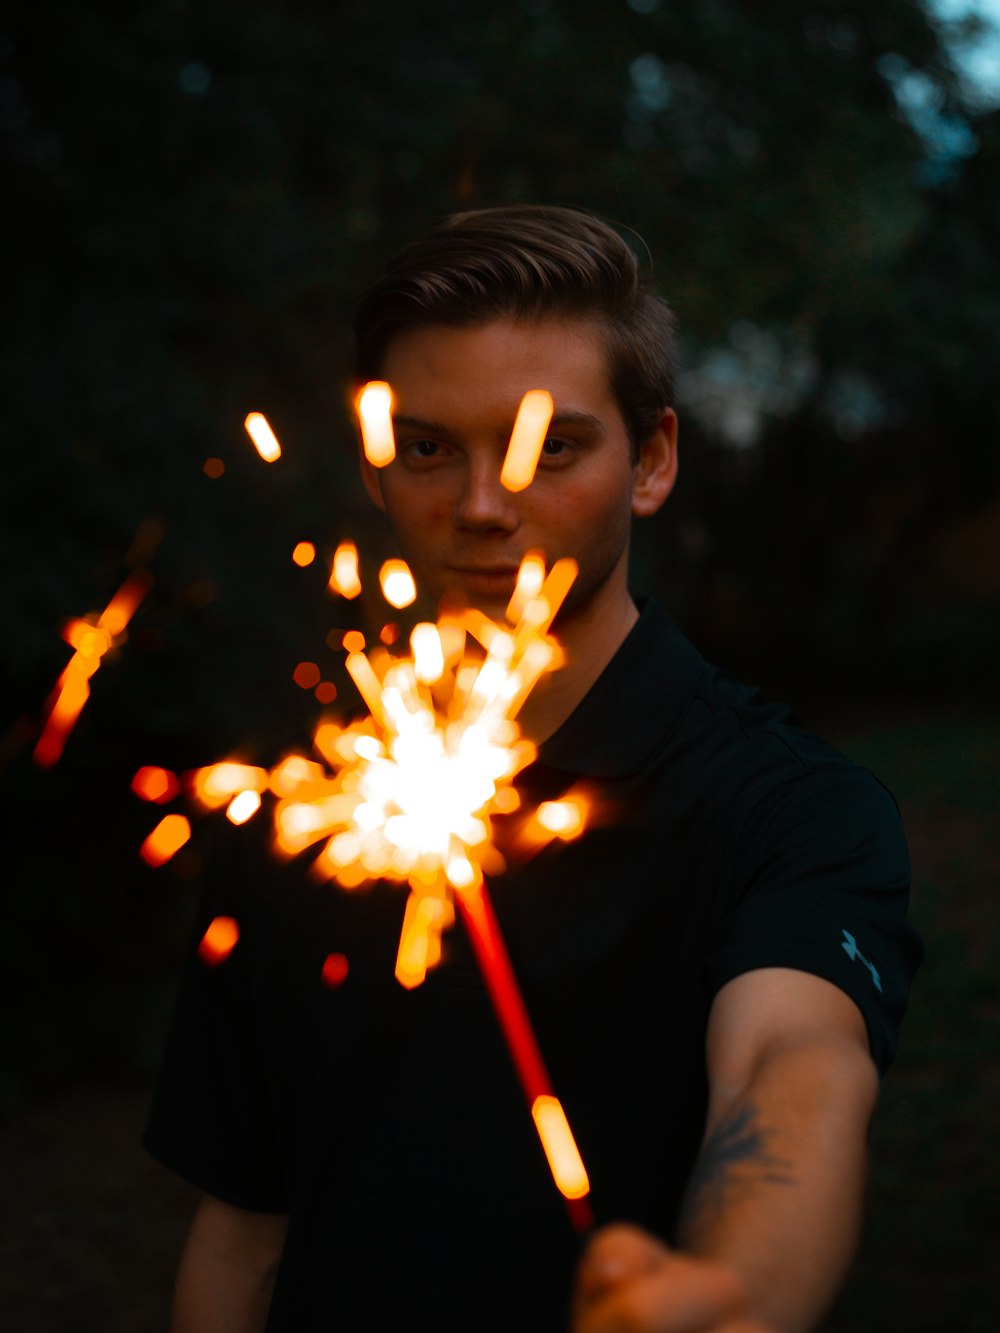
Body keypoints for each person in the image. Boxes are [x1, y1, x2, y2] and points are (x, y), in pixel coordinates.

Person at [145, 205, 921, 1333]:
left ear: (651, 461)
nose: (480, 507)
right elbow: (241, 1237)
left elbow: (789, 1065)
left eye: (548, 448)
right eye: (429, 447)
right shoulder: (302, 813)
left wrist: (735, 1285)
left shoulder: (791, 809)